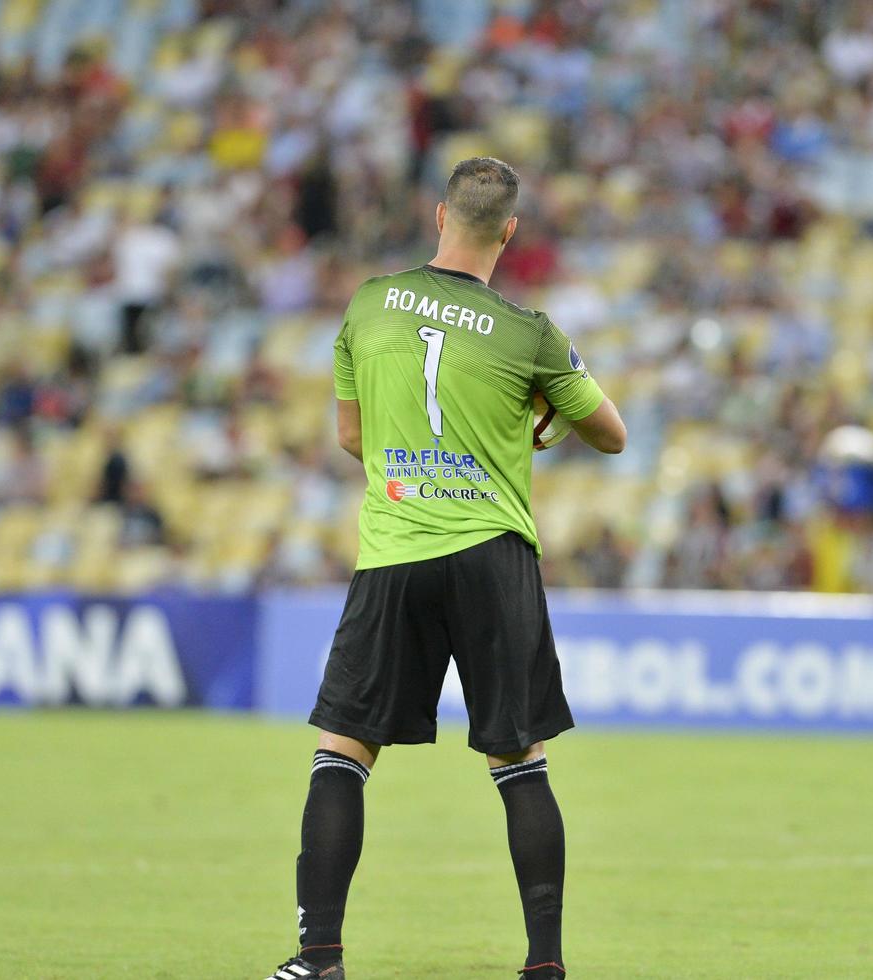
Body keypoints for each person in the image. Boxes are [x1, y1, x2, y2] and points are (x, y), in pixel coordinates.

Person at [266, 158, 627, 980]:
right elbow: (611, 432)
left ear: (437, 216)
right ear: (509, 231)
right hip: (491, 555)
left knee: (342, 753)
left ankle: (317, 958)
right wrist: (547, 420)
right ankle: (544, 967)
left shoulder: (369, 302)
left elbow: (351, 439)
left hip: (396, 549)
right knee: (518, 760)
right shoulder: (529, 330)